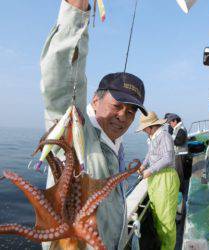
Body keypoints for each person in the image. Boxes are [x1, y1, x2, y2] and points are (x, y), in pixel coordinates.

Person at [40, 0, 148, 249]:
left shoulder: (115, 147)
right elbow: (60, 83)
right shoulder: (76, 133)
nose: (123, 115)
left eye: (131, 111)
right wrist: (76, 12)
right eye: (117, 105)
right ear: (95, 100)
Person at [137, 112, 180, 250]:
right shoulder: (153, 137)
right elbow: (150, 154)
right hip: (156, 179)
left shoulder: (164, 136)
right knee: (158, 214)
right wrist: (143, 166)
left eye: (144, 128)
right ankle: (162, 244)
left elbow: (167, 158)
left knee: (166, 217)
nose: (143, 131)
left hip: (165, 178)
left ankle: (168, 247)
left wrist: (149, 170)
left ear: (151, 126)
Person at [167, 113, 192, 216]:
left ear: (175, 121)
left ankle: (182, 200)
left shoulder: (181, 129)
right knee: (179, 176)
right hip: (178, 155)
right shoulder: (176, 128)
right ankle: (181, 196)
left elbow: (178, 142)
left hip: (181, 156)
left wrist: (169, 138)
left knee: (180, 177)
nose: (169, 124)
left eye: (170, 122)